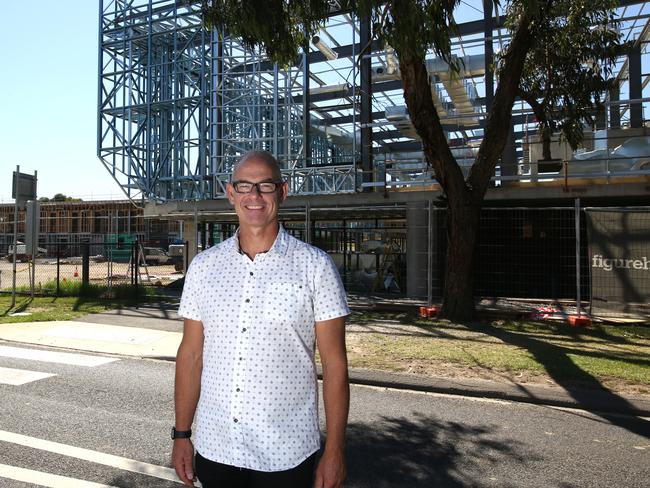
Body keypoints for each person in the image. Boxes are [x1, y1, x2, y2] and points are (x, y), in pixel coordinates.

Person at [172, 150, 350, 488]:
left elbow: (335, 363)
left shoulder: (315, 266)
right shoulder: (204, 267)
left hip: (286, 454)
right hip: (215, 448)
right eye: (244, 186)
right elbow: (191, 355)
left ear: (282, 192)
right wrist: (181, 433)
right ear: (230, 193)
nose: (254, 196)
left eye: (265, 186)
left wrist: (335, 450)